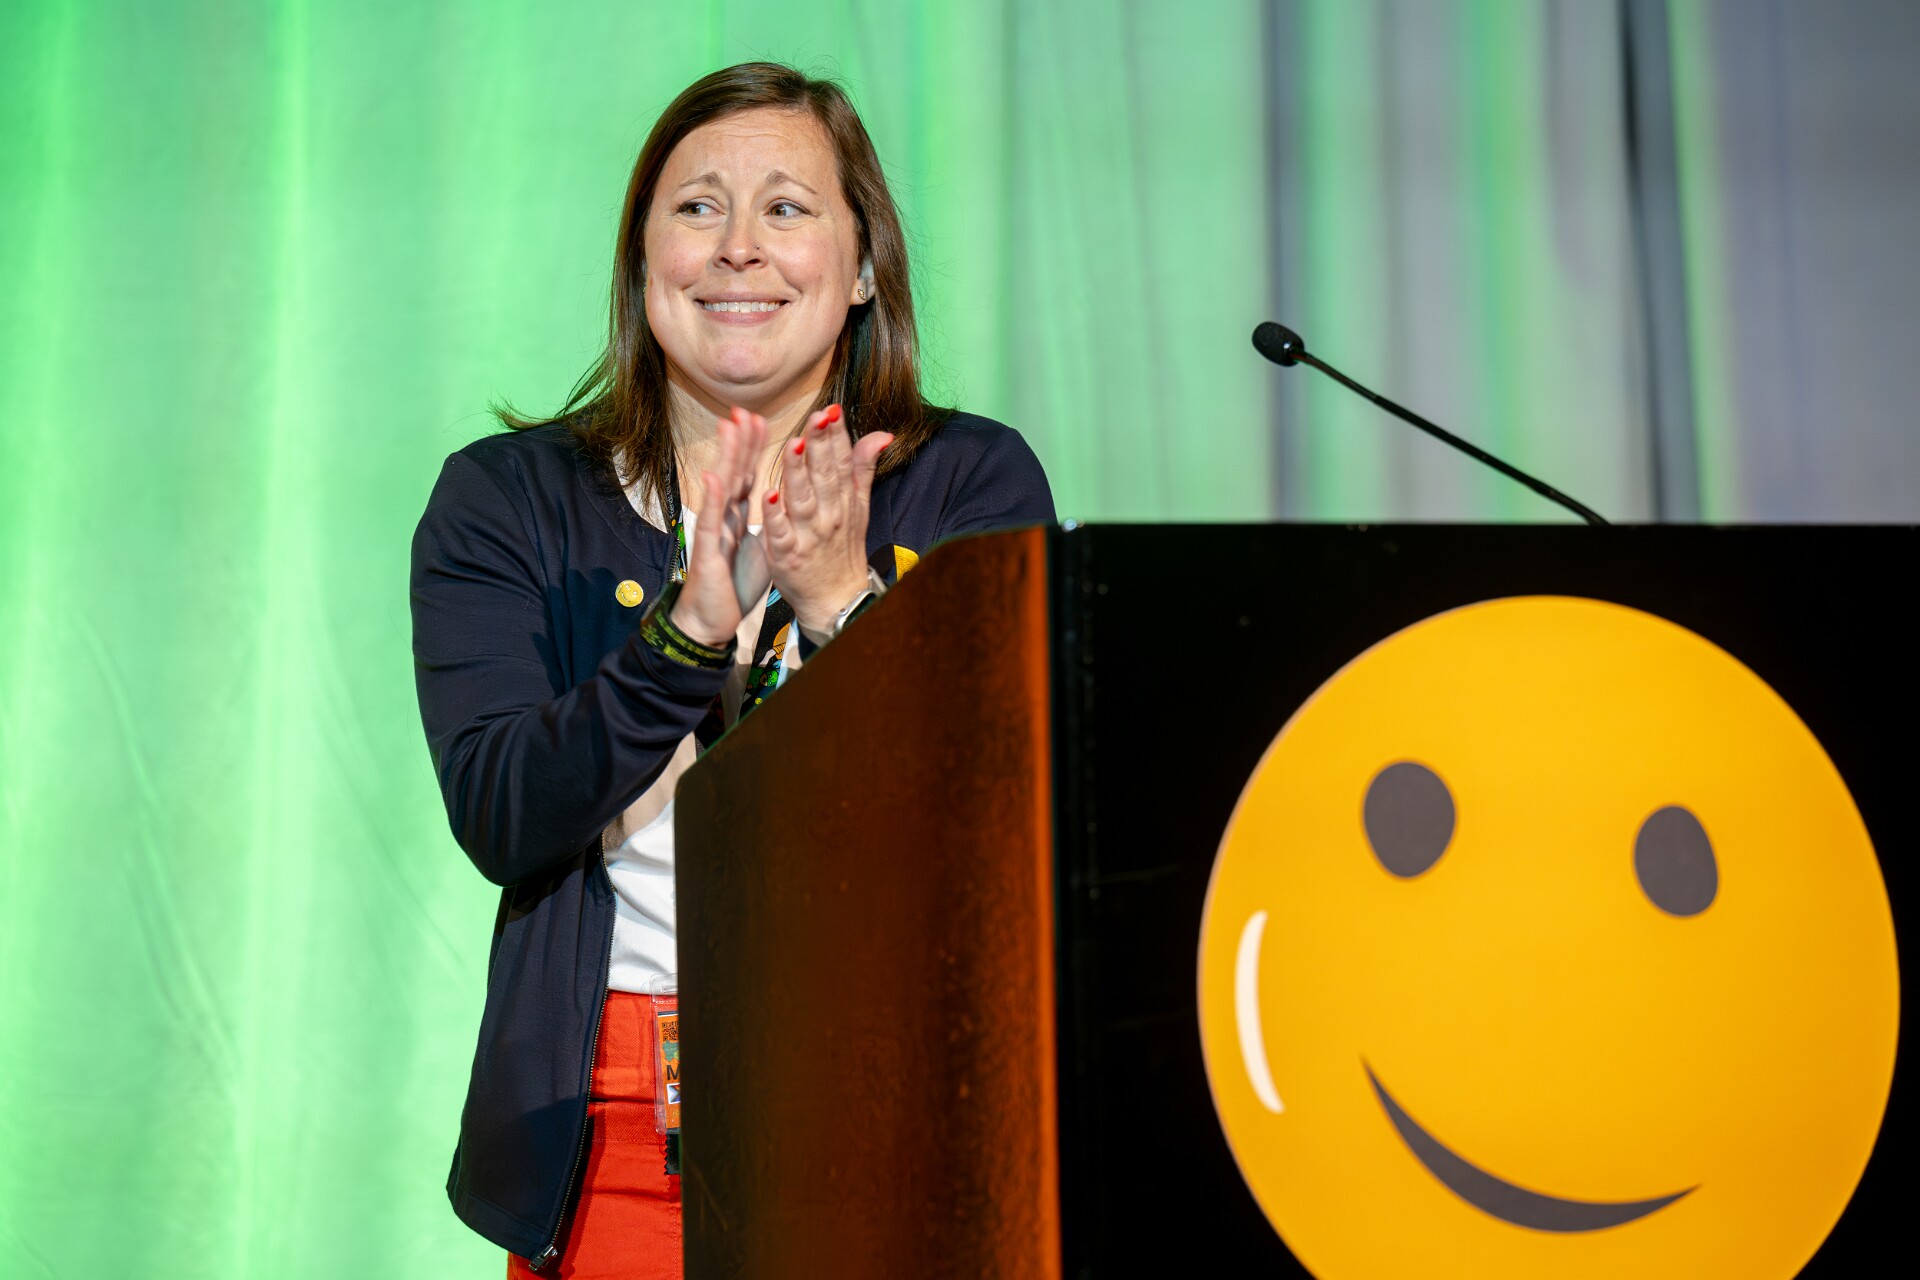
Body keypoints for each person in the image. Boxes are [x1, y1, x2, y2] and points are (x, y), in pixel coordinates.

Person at [409, 62, 1054, 1278]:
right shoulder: (509, 500)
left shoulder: (970, 484)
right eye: (698, 207)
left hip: (907, 1121)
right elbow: (502, 812)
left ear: (863, 267)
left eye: (787, 208)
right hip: (617, 1138)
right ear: (643, 258)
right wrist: (687, 636)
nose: (738, 247)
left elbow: (994, 828)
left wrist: (839, 601)